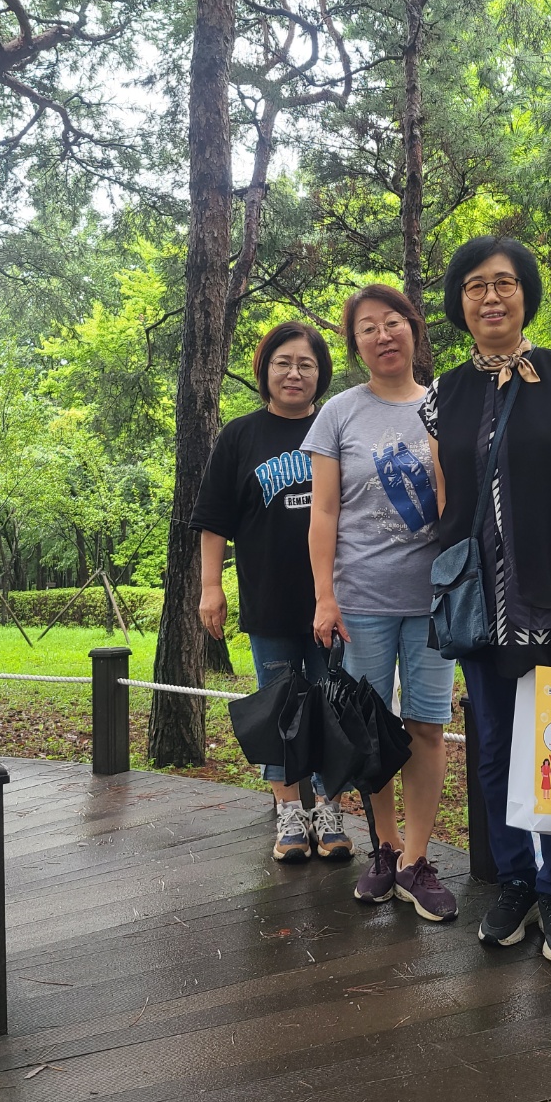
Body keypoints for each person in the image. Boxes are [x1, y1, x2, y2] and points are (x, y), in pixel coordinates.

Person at [421, 236, 551, 963]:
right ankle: (515, 882)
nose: (491, 297)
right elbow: (447, 497)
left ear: (525, 294)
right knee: (496, 745)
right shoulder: (442, 396)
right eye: (476, 285)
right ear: (460, 302)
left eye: (504, 283)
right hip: (479, 605)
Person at [304, 284, 458, 923]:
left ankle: (418, 861)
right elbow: (324, 511)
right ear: (356, 344)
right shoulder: (339, 414)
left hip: (433, 601)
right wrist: (325, 597)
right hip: (361, 600)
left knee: (426, 727)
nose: (382, 335)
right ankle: (386, 850)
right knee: (371, 731)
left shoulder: (445, 406)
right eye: (367, 327)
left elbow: (457, 501)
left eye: (392, 322)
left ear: (413, 329)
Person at [191, 321, 353, 865]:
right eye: (283, 362)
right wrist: (210, 587)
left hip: (335, 599)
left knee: (331, 706)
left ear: (320, 374)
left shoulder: (336, 427)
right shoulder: (240, 436)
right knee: (278, 705)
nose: (294, 373)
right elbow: (214, 520)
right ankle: (288, 812)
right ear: (265, 370)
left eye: (306, 364)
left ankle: (330, 809)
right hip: (268, 597)